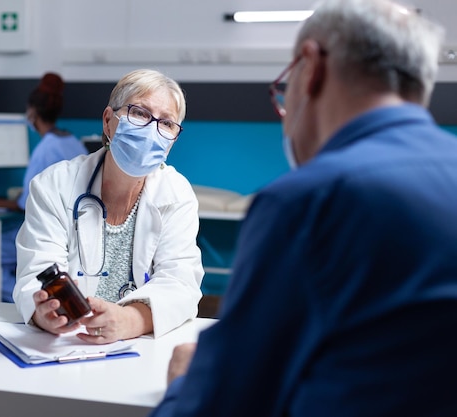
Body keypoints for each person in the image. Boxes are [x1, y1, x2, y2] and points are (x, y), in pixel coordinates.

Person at [151, 1, 457, 416]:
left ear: (310, 66)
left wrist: (184, 386)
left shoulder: (309, 201)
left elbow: (225, 403)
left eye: (285, 85)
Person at [13, 69, 203, 343]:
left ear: (174, 139)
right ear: (107, 121)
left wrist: (131, 320)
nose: (152, 130)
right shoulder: (54, 184)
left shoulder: (177, 194)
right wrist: (44, 314)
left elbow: (181, 283)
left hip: (140, 348)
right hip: (66, 345)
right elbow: (37, 272)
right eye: (139, 113)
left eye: (167, 124)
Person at [0, 72, 88, 302]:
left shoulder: (46, 148)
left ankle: (17, 301)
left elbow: (26, 204)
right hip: (74, 230)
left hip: (51, 228)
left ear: (32, 113)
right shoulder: (72, 141)